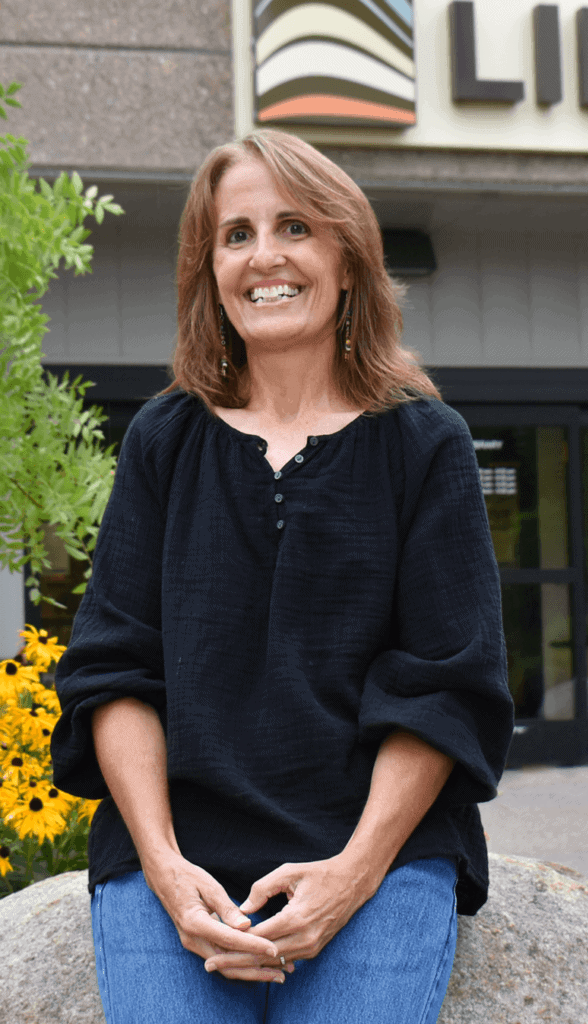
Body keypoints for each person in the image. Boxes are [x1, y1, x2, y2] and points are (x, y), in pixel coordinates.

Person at [51, 128, 514, 1024]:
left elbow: (447, 687)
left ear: (347, 256)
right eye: (237, 234)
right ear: (209, 268)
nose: (265, 256)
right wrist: (165, 869)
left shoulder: (426, 445)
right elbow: (114, 672)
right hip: (177, 853)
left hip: (377, 852)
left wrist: (351, 875)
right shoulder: (162, 440)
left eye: (295, 227)